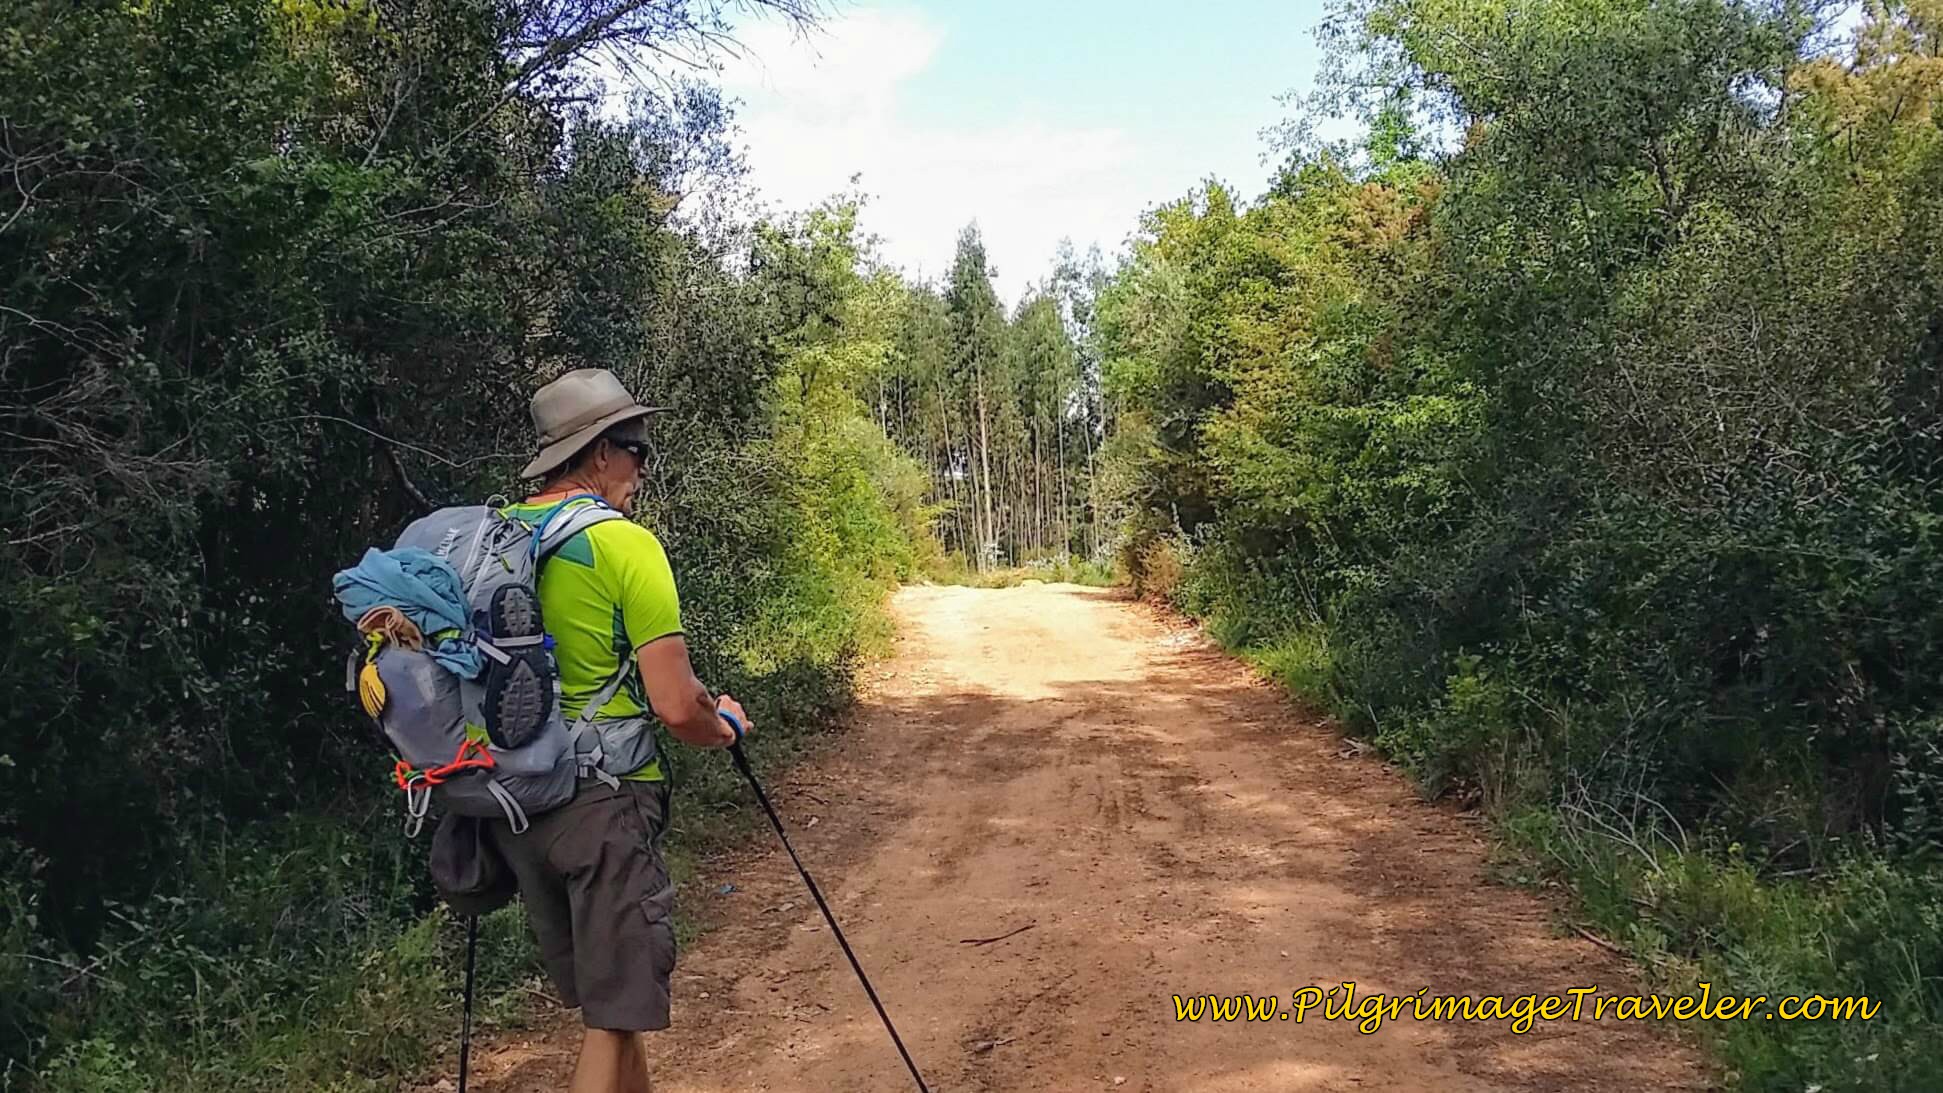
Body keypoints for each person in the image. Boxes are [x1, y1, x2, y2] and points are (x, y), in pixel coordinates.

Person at [486, 367, 751, 1093]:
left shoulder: (498, 535)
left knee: (615, 1008)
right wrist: (722, 725)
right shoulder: (624, 547)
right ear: (598, 453)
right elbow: (674, 704)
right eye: (636, 448)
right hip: (603, 803)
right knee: (611, 1018)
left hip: (516, 805)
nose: (641, 466)